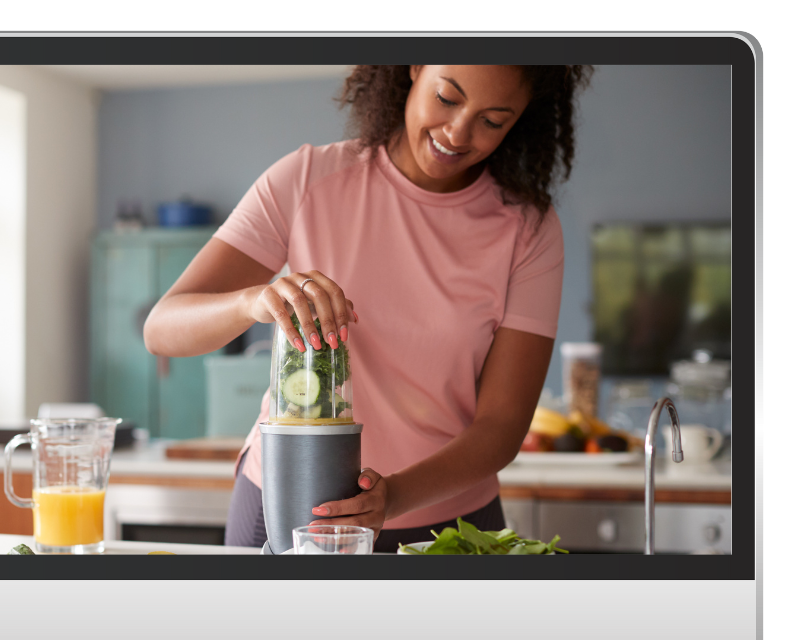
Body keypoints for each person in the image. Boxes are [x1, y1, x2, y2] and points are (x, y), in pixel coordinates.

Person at [143, 64, 593, 551]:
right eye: (447, 98)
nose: (458, 132)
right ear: (416, 68)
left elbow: (502, 426)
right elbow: (162, 329)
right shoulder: (306, 179)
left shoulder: (527, 231)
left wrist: (394, 496)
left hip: (448, 523)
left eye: (493, 120)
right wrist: (253, 300)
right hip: (290, 508)